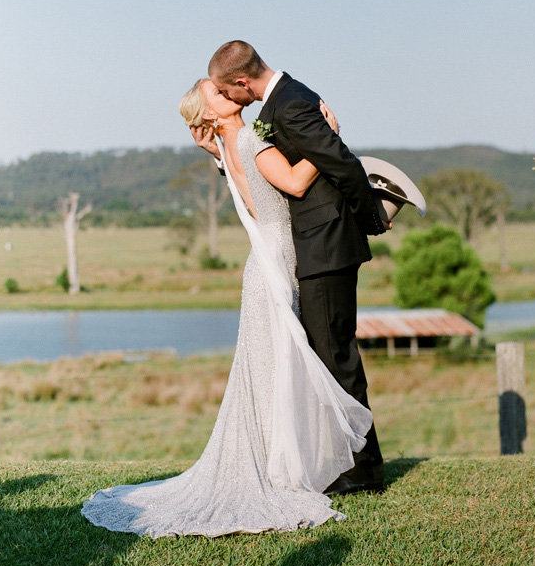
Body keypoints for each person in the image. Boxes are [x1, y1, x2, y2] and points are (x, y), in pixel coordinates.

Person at [81, 79, 372, 538]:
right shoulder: (250, 137)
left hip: (265, 264)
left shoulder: (231, 145)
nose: (226, 91)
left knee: (270, 370)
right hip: (278, 260)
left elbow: (252, 185)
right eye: (216, 93)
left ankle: (282, 463)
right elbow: (295, 183)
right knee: (277, 368)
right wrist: (327, 137)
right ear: (214, 113)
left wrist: (212, 151)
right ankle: (288, 468)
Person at [197, 39, 389, 496]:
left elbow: (337, 161)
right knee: (327, 353)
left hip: (326, 245)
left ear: (241, 82)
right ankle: (348, 459)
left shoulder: (285, 107)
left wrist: (373, 217)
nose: (231, 99)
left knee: (336, 355)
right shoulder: (282, 103)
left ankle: (365, 468)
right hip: (311, 246)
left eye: (229, 91)